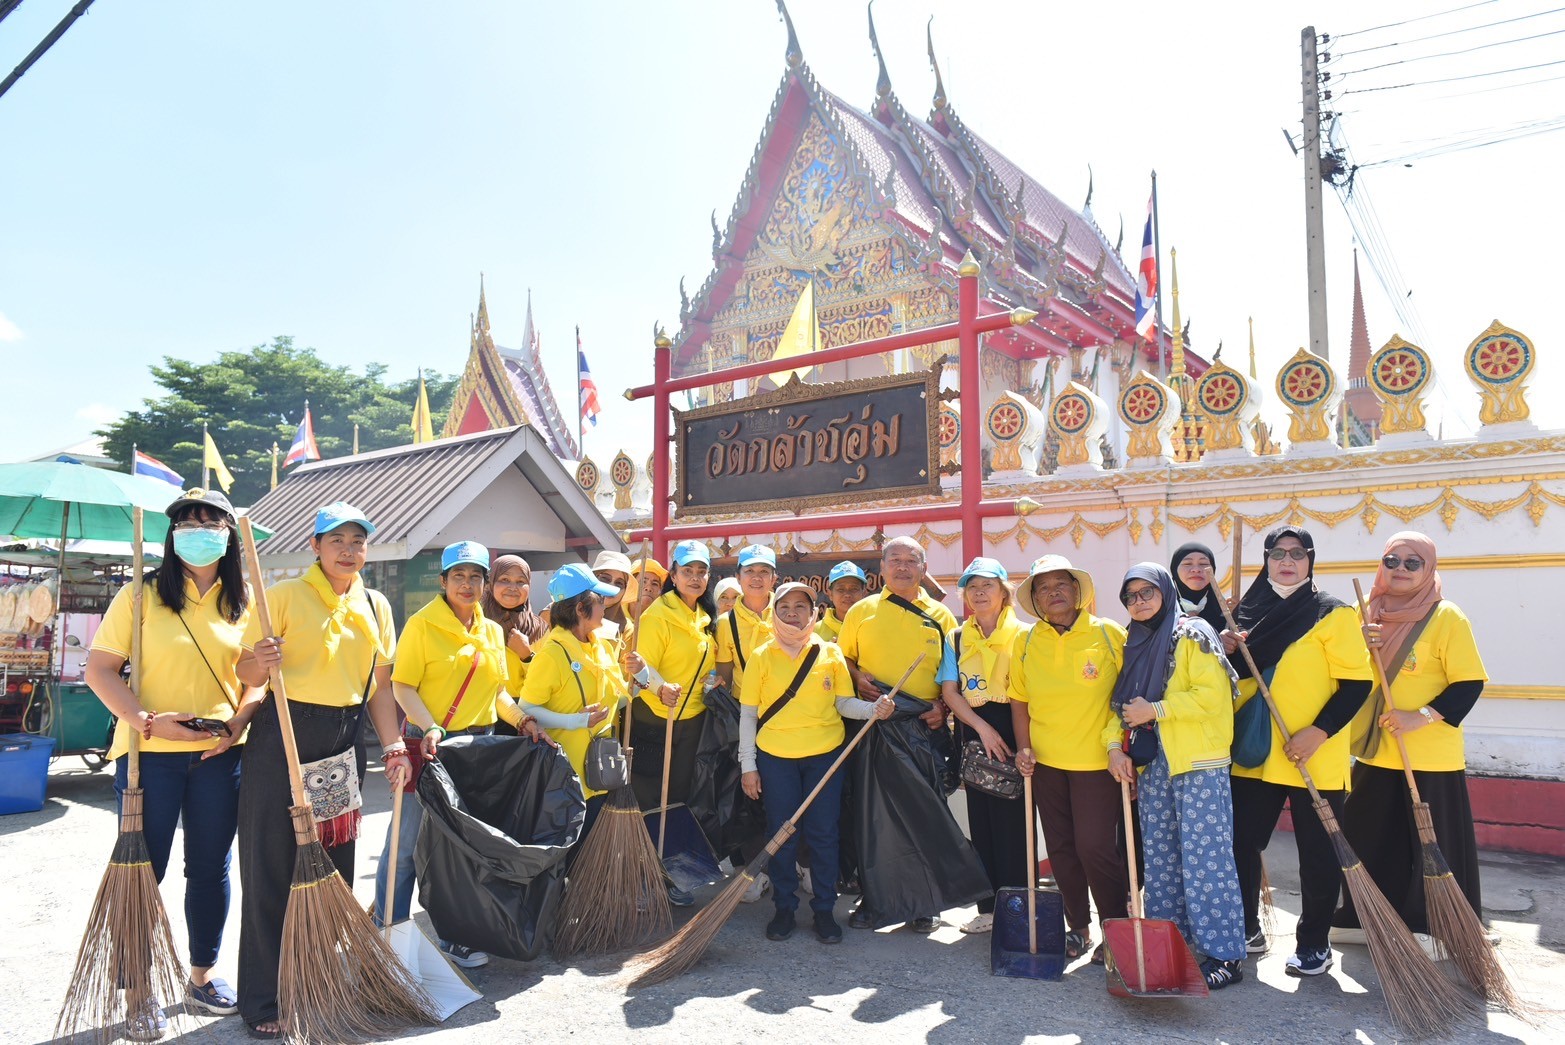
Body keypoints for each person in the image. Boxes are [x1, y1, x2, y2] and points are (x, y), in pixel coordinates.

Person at [84, 489, 259, 1039]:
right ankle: (138, 990)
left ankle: (202, 976)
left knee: (210, 869)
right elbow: (101, 670)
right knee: (143, 872)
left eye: (210, 521)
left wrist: (236, 726)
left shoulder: (246, 600)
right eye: (187, 521)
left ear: (229, 532)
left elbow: (258, 683)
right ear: (170, 533)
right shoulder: (139, 594)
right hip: (148, 758)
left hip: (218, 756)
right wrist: (146, 721)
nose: (198, 529)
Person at [234, 502, 404, 1040]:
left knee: (332, 866)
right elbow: (243, 670)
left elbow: (379, 688)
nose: (350, 549)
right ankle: (262, 999)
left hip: (341, 744)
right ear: (315, 545)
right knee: (270, 868)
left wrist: (395, 742)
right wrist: (259, 659)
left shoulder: (376, 605)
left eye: (359, 540)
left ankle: (317, 983)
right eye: (338, 540)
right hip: (280, 739)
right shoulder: (280, 596)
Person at [372, 541, 546, 969]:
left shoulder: (490, 630)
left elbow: (498, 691)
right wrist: (429, 723)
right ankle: (388, 933)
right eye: (458, 576)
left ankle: (458, 935)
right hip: (427, 745)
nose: (466, 585)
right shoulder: (421, 624)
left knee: (463, 849)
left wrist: (523, 720)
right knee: (407, 843)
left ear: (483, 584)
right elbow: (403, 685)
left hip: (476, 749)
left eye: (475, 577)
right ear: (443, 581)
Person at [1221, 525, 1373, 977]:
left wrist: (1319, 732)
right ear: (1266, 560)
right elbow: (1227, 683)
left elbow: (1357, 683)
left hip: (1313, 754)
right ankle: (1247, 926)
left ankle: (1313, 943)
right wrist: (1225, 650)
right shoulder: (1242, 613)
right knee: (1241, 843)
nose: (1287, 561)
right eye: (1278, 553)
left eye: (1297, 553)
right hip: (1255, 751)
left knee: (1318, 851)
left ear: (1310, 561)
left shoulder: (1331, 612)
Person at [1333, 532, 1488, 948]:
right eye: (1391, 560)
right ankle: (1365, 918)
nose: (1400, 569)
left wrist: (1420, 716)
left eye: (1412, 562)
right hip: (1376, 749)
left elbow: (1469, 684)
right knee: (1369, 834)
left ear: (1429, 568)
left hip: (1429, 754)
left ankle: (1437, 927)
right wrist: (1359, 643)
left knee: (1432, 843)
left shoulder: (1446, 617)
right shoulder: (1363, 612)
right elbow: (1342, 672)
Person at [1105, 564, 1246, 990]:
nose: (1140, 601)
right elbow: (1119, 706)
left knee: (1207, 860)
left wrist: (1156, 709)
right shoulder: (1136, 642)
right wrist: (1114, 746)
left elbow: (1211, 696)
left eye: (1148, 592)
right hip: (1156, 766)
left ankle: (1225, 954)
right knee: (1163, 861)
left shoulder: (1192, 632)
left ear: (1165, 592)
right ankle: (1175, 943)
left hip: (1198, 762)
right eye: (1130, 596)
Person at [739, 582, 894, 944]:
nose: (792, 613)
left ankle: (825, 910)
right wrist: (749, 765)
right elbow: (748, 715)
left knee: (825, 834)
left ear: (814, 613)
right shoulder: (761, 655)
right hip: (776, 757)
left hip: (825, 755)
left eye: (801, 606)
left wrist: (874, 710)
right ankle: (784, 908)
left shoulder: (830, 653)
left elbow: (843, 704)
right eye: (785, 606)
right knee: (782, 835)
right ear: (774, 612)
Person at [1009, 554, 1128, 964]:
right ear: (1036, 599)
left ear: (1077, 592)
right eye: (1043, 587)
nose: (1053, 592)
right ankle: (1077, 927)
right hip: (1045, 763)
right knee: (1060, 849)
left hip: (1098, 761)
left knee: (1096, 847)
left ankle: (1115, 927)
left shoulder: (1110, 634)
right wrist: (1024, 748)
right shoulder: (1024, 642)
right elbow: (1019, 700)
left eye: (1062, 584)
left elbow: (1127, 695)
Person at [838, 535, 959, 932]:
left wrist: (941, 708)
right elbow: (844, 662)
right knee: (872, 817)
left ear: (924, 569)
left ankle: (925, 904)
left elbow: (949, 677)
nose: (903, 567)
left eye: (912, 560)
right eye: (895, 559)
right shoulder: (861, 611)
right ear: (883, 568)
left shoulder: (940, 617)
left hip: (922, 727)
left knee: (923, 815)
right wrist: (859, 678)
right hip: (872, 723)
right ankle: (875, 899)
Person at [940, 557, 1026, 936]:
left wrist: (1017, 741)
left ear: (1004, 592)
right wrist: (981, 729)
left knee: (1016, 824)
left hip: (1018, 732)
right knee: (983, 823)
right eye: (972, 587)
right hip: (975, 735)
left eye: (987, 585)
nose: (979, 593)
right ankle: (988, 908)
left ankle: (1020, 906)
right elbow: (949, 690)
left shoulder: (1024, 635)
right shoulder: (957, 637)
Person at [519, 563, 633, 846]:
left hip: (599, 772)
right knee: (568, 857)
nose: (606, 606)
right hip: (565, 778)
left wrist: (643, 678)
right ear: (581, 609)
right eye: (600, 600)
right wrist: (575, 721)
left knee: (593, 853)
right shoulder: (551, 654)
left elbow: (618, 698)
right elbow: (527, 708)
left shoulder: (602, 646)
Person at [629, 539, 713, 906]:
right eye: (687, 571)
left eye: (701, 571)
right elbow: (638, 669)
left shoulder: (704, 618)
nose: (695, 578)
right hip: (652, 718)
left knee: (677, 799)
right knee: (648, 799)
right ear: (674, 576)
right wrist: (660, 689)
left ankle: (672, 874)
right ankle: (643, 877)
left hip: (690, 721)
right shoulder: (657, 615)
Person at [715, 544, 778, 901]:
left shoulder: (785, 612)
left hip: (788, 717)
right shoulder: (726, 623)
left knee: (785, 790)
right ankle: (756, 868)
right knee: (749, 793)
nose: (756, 578)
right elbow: (724, 673)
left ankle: (795, 861)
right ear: (739, 577)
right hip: (746, 715)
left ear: (774, 578)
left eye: (764, 572)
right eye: (749, 571)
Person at [483, 554, 549, 736]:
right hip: (481, 715)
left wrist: (526, 656)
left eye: (521, 581)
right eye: (504, 580)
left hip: (528, 719)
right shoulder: (475, 623)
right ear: (490, 583)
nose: (513, 588)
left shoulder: (540, 628)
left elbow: (545, 682)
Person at [1171, 542, 1229, 637]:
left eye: (1203, 563)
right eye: (1187, 564)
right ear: (1174, 569)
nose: (1196, 569)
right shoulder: (1162, 609)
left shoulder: (1226, 611)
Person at [816, 561, 869, 642]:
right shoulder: (815, 632)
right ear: (830, 594)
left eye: (854, 589)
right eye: (840, 589)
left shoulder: (875, 625)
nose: (847, 594)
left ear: (864, 593)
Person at [628, 557, 667, 624]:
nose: (648, 588)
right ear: (629, 585)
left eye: (655, 584)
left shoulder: (663, 622)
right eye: (643, 582)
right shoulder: (612, 614)